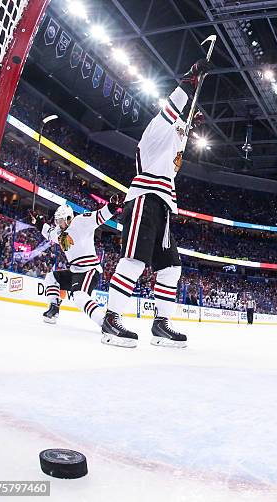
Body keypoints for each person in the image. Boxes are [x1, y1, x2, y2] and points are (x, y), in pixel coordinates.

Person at [101, 59, 210, 349]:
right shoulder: (155, 131)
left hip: (162, 204)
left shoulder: (171, 140)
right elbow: (170, 112)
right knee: (135, 261)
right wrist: (189, 81)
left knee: (172, 268)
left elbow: (176, 153)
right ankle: (112, 318)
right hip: (144, 199)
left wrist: (187, 129)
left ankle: (161, 323)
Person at [30, 198, 119, 327]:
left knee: (79, 297)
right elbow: (49, 233)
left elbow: (98, 217)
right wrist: (38, 221)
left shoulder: (80, 221)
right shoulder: (59, 232)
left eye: (61, 221)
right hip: (75, 271)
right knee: (51, 278)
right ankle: (54, 309)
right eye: (57, 221)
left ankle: (104, 322)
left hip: (89, 270)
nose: (59, 224)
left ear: (69, 218)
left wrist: (112, 207)